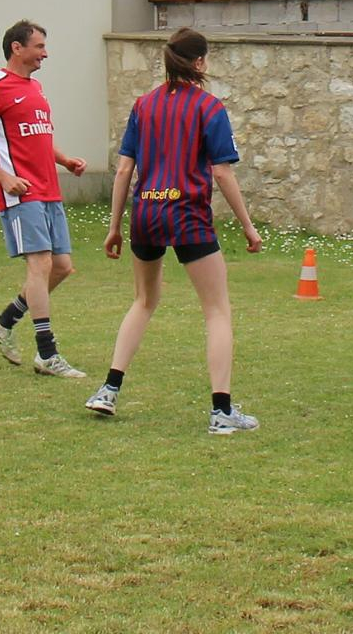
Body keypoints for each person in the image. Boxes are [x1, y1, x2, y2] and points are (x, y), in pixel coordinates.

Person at [84, 28, 263, 433]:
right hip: (187, 215)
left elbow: (124, 170)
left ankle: (108, 390)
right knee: (217, 310)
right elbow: (222, 172)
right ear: (199, 62)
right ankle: (221, 412)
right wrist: (248, 227)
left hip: (146, 214)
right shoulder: (209, 108)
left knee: (144, 301)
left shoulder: (143, 105)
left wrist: (114, 227)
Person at [0, 20, 90, 378]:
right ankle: (47, 354)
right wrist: (3, 177)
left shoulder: (35, 88)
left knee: (62, 266)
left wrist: (64, 160)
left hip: (50, 190)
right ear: (17, 48)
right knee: (41, 264)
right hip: (21, 194)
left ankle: (4, 321)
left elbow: (38, 137)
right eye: (39, 46)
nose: (45, 54)